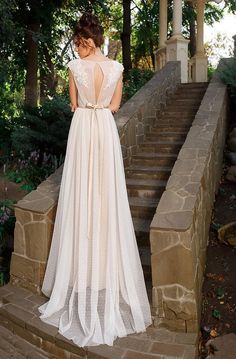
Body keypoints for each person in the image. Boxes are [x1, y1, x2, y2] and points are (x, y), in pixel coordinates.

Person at [38, 12, 152, 347]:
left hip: (83, 130)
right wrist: (101, 105)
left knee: (80, 196)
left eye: (79, 42)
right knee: (105, 198)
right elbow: (115, 105)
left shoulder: (75, 68)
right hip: (104, 131)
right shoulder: (116, 69)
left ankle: (82, 275)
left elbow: (74, 104)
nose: (77, 47)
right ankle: (101, 272)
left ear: (88, 40)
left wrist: (85, 103)